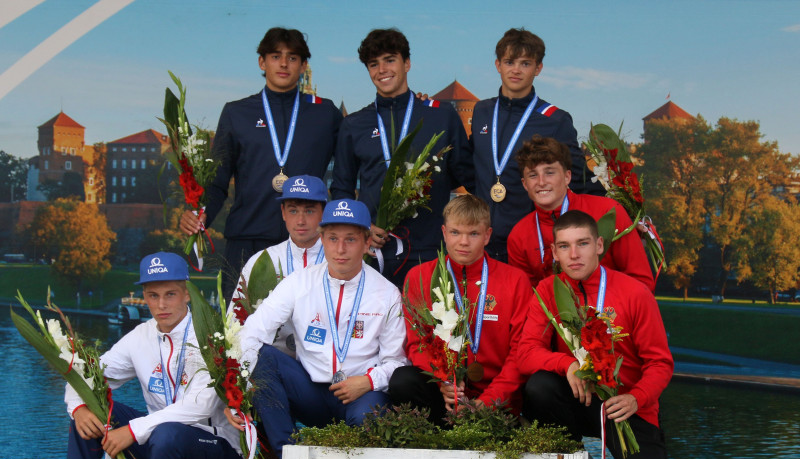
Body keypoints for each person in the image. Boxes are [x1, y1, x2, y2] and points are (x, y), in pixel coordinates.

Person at [516, 210, 707, 459]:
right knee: (539, 387)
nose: (574, 255)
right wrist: (566, 363)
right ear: (554, 252)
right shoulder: (547, 291)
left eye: (583, 244)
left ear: (599, 246)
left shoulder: (633, 293)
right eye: (565, 246)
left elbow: (660, 363)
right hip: (582, 400)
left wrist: (637, 397)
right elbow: (525, 353)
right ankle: (575, 458)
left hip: (626, 410)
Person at [63, 252, 242, 459]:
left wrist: (132, 430)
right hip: (162, 445)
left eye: (170, 294)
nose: (162, 304)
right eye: (153, 295)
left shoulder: (209, 333)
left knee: (169, 433)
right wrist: (78, 407)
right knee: (91, 415)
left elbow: (200, 406)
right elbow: (88, 374)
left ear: (186, 293)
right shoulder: (141, 336)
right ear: (144, 297)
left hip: (217, 450)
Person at [236, 199, 407, 459]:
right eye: (333, 239)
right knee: (263, 357)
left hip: (359, 394)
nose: (340, 249)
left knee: (371, 417)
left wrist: (368, 380)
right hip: (310, 392)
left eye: (350, 240)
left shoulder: (387, 294)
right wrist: (235, 396)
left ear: (367, 243)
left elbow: (397, 362)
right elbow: (252, 332)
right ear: (322, 239)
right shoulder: (298, 282)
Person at [180, 27, 342, 299]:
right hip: (247, 240)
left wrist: (412, 102)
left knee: (311, 332)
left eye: (292, 58)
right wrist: (199, 212)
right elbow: (218, 180)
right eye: (275, 56)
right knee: (243, 333)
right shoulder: (237, 112)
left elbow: (351, 167)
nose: (283, 64)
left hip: (309, 243)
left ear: (303, 66)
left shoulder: (325, 113)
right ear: (261, 62)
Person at [331, 27, 473, 286]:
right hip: (374, 256)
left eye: (390, 60)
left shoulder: (440, 116)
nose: (382, 70)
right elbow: (341, 189)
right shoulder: (354, 124)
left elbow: (468, 177)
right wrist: (361, 228)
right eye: (374, 64)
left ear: (406, 63)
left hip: (430, 252)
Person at [389, 193, 531, 423]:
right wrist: (444, 381)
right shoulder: (419, 277)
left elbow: (519, 352)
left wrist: (488, 401)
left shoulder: (515, 280)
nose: (463, 242)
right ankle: (428, 441)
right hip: (443, 395)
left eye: (473, 233)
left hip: (497, 399)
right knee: (403, 380)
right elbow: (417, 344)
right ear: (444, 233)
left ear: (487, 236)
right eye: (455, 233)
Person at [471, 28, 603, 261]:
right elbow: (470, 167)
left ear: (538, 68)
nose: (516, 70)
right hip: (481, 242)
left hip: (528, 246)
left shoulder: (555, 120)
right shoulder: (482, 112)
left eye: (525, 63)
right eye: (509, 62)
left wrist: (626, 216)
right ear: (497, 65)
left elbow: (581, 180)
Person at [508, 135, 654, 291]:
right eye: (533, 175)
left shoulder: (609, 211)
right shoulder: (519, 236)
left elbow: (641, 282)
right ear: (524, 184)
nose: (541, 182)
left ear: (567, 177)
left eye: (550, 172)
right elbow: (526, 299)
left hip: (611, 312)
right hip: (553, 315)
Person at [231, 174, 328, 356]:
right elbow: (235, 321)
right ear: (283, 212)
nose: (300, 220)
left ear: (323, 213)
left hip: (327, 363)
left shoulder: (339, 260)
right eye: (293, 211)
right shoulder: (263, 261)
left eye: (309, 211)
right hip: (276, 363)